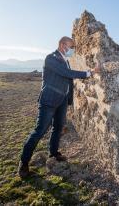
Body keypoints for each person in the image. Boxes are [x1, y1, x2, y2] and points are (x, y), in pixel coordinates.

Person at [18, 36, 100, 178]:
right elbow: (67, 74)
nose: (73, 50)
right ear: (63, 45)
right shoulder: (51, 58)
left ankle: (54, 153)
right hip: (49, 101)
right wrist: (90, 72)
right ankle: (23, 163)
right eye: (71, 46)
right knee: (40, 131)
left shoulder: (65, 60)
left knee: (58, 128)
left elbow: (67, 81)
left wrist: (68, 100)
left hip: (61, 100)